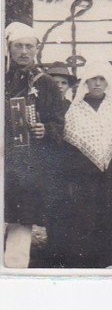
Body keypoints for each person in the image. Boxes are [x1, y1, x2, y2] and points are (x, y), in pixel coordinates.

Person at [52, 60, 112, 268]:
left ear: (108, 83)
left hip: (111, 176)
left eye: (101, 79)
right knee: (83, 221)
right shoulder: (74, 111)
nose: (97, 84)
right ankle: (84, 266)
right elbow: (67, 148)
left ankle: (106, 264)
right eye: (93, 79)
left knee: (108, 221)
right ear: (86, 82)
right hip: (82, 177)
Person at [4, 23, 65, 268]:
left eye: (29, 46)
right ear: (9, 48)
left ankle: (14, 275)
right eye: (18, 46)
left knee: (20, 222)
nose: (24, 51)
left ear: (37, 49)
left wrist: (46, 129)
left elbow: (59, 122)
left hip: (26, 165)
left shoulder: (46, 83)